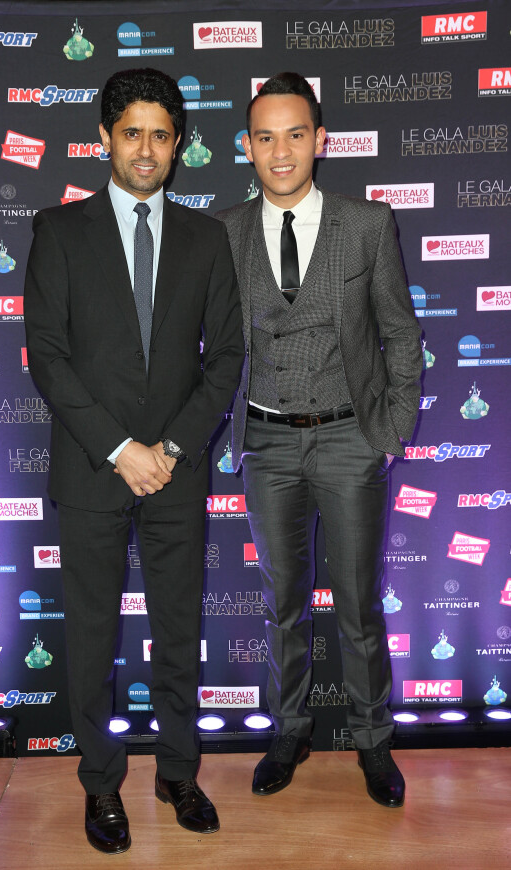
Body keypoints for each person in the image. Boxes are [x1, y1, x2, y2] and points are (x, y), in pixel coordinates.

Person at [24, 67, 244, 854]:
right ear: (104, 139)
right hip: (92, 472)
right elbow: (47, 358)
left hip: (177, 475)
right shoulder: (60, 232)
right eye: (131, 133)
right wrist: (121, 450)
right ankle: (100, 785)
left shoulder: (205, 236)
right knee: (89, 637)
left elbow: (224, 360)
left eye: (160, 134)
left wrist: (171, 450)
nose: (145, 150)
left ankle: (178, 774)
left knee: (178, 631)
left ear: (178, 144)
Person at [217, 72, 422, 809]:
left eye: (295, 134)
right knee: (283, 603)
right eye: (265, 137)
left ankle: (373, 740)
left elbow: (401, 333)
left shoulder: (366, 224)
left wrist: (391, 432)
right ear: (247, 145)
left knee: (360, 605)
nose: (281, 151)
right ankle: (289, 729)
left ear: (320, 141)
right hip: (267, 446)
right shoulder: (225, 229)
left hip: (348, 442)